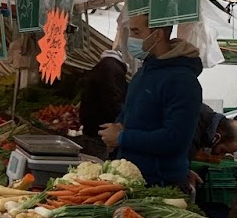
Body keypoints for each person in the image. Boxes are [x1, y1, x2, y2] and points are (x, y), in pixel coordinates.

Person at [99, 12, 203, 189]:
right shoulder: (145, 71)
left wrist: (123, 138)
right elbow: (129, 113)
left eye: (137, 32)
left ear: (158, 35)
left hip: (159, 184)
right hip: (130, 178)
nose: (131, 38)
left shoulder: (183, 81)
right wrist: (118, 126)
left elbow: (174, 139)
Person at [75, 16, 133, 158]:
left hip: (95, 130)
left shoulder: (106, 66)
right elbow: (112, 100)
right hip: (100, 133)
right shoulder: (111, 69)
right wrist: (122, 123)